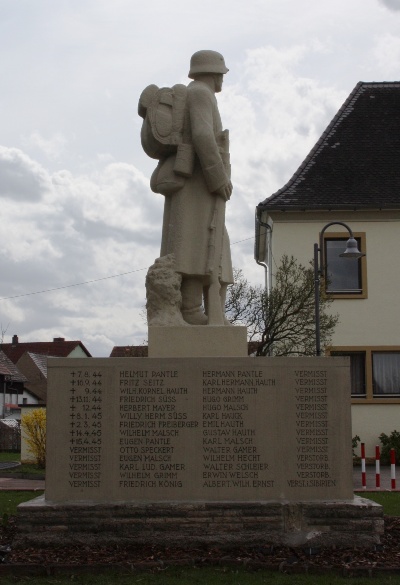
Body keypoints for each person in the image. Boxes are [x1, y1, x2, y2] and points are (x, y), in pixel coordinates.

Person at [146, 50, 233, 325]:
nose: (222, 80)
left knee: (202, 246)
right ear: (214, 72)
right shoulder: (201, 93)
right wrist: (219, 178)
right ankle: (192, 310)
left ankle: (197, 310)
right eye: (221, 74)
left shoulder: (198, 93)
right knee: (196, 247)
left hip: (196, 183)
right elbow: (203, 135)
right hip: (198, 183)